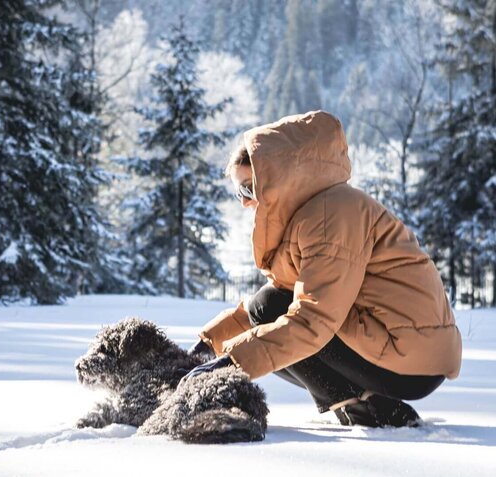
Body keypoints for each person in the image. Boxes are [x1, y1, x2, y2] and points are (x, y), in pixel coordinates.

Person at [183, 110, 462, 428]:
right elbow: (272, 300)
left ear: (277, 179)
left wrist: (228, 364)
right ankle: (369, 403)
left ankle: (359, 406)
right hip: (402, 347)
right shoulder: (312, 212)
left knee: (275, 312)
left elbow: (312, 320)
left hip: (411, 358)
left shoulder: (331, 216)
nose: (245, 202)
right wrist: (206, 348)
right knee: (269, 305)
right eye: (238, 193)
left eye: (249, 189)